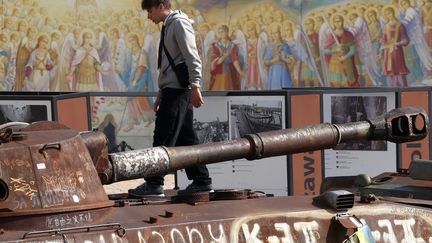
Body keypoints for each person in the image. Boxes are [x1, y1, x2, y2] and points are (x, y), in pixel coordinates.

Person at [128, 0, 212, 197]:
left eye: (150, 11)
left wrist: (196, 85)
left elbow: (192, 56)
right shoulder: (169, 26)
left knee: (163, 137)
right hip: (172, 90)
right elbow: (168, 64)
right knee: (187, 140)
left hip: (178, 91)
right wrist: (161, 93)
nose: (149, 16)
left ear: (160, 5)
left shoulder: (179, 23)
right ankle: (202, 180)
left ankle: (154, 183)